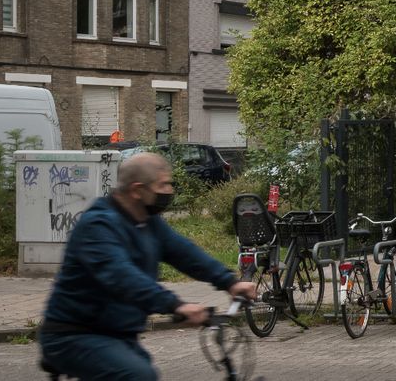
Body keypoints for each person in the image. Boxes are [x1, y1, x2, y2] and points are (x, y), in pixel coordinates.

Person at [39, 152, 256, 381]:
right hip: (74, 335)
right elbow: (122, 277)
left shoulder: (147, 221)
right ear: (137, 189)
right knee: (139, 376)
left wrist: (229, 282)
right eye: (163, 185)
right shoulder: (98, 225)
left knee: (144, 372)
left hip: (116, 335)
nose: (169, 191)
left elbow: (184, 253)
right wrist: (175, 305)